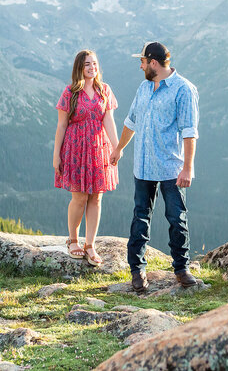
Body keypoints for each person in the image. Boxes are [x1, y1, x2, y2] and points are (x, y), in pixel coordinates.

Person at [110, 41, 199, 292]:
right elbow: (131, 121)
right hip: (143, 165)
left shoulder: (184, 89)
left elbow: (190, 132)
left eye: (142, 61)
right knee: (140, 218)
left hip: (172, 166)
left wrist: (188, 168)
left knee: (176, 218)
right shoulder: (144, 87)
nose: (140, 66)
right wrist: (119, 149)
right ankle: (137, 271)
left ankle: (181, 269)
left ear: (153, 63)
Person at [53, 49, 119, 266]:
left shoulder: (104, 90)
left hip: (99, 148)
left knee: (97, 197)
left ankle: (90, 244)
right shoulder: (70, 92)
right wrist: (57, 155)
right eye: (87, 64)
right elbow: (62, 125)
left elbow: (108, 120)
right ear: (80, 68)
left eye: (95, 63)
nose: (92, 68)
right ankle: (73, 240)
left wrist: (116, 147)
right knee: (79, 197)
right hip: (75, 150)